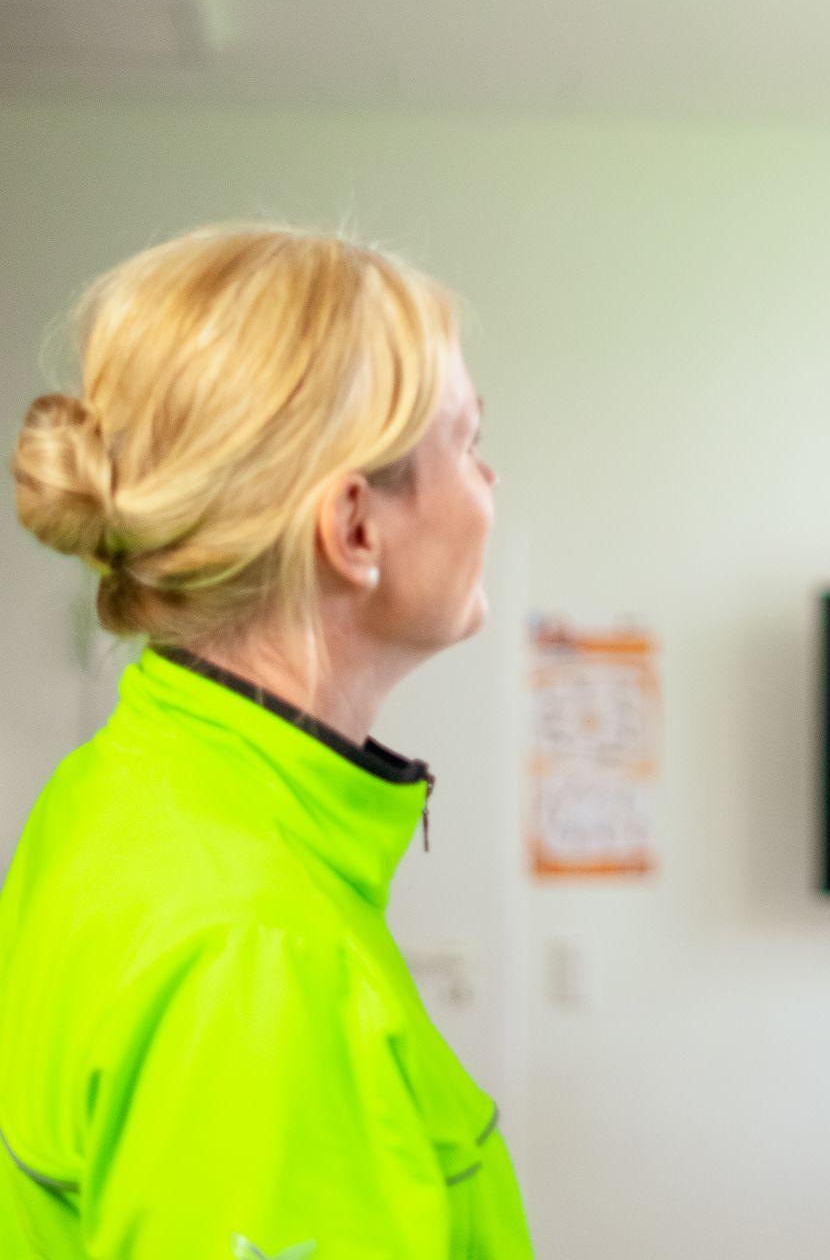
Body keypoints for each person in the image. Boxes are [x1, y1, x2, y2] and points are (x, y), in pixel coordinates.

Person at [1, 226, 533, 1257]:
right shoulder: (259, 957)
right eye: (466, 445)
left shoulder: (121, 786)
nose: (489, 484)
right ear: (355, 530)